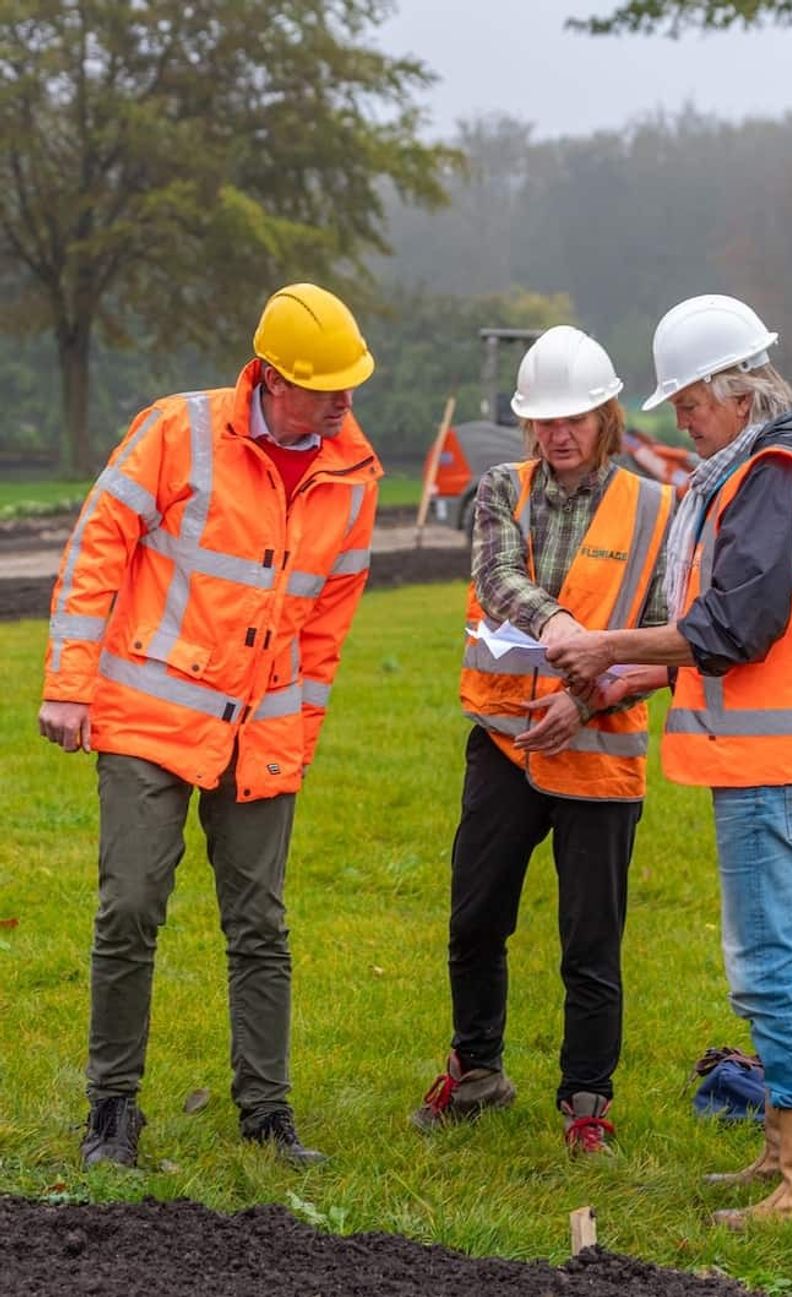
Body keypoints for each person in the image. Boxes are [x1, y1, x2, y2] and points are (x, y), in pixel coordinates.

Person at [550, 295, 792, 1218]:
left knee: (772, 965)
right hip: (791, 758)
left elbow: (734, 624)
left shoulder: (772, 477)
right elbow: (741, 633)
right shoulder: (778, 471)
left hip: (767, 768)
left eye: (689, 405)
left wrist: (612, 647)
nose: (684, 424)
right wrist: (641, 676)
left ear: (737, 392)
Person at [37, 283, 381, 1169]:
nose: (344, 401)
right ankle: (112, 1111)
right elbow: (96, 546)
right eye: (325, 385)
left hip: (260, 733)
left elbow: (327, 630)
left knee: (261, 924)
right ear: (270, 377)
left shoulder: (355, 475)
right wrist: (70, 684)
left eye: (351, 384)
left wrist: (295, 740)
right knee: (131, 906)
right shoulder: (176, 430)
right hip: (149, 715)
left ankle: (267, 1117)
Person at [411, 325, 675, 1153]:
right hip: (503, 743)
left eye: (575, 418)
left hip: (597, 758)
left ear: (607, 415)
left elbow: (671, 638)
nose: (558, 435)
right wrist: (561, 625)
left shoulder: (658, 509)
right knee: (475, 918)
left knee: (590, 944)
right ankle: (478, 1068)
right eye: (544, 421)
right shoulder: (500, 488)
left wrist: (583, 701)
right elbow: (496, 578)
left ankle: (586, 1103)